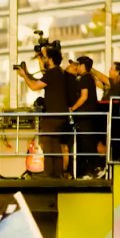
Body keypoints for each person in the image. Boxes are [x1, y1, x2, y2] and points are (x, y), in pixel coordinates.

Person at [17, 47, 69, 178]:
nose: (43, 60)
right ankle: (56, 173)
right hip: (60, 115)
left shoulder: (53, 73)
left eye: (44, 57)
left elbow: (34, 86)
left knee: (46, 140)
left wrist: (24, 76)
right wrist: (27, 73)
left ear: (50, 59)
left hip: (54, 115)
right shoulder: (58, 72)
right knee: (54, 143)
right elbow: (39, 80)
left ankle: (51, 173)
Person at [70, 57, 105, 179]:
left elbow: (84, 96)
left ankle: (95, 167)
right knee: (87, 142)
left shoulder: (85, 78)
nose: (76, 67)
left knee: (87, 142)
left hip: (85, 115)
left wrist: (72, 109)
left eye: (78, 65)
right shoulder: (89, 78)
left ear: (83, 65)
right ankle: (91, 169)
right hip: (89, 115)